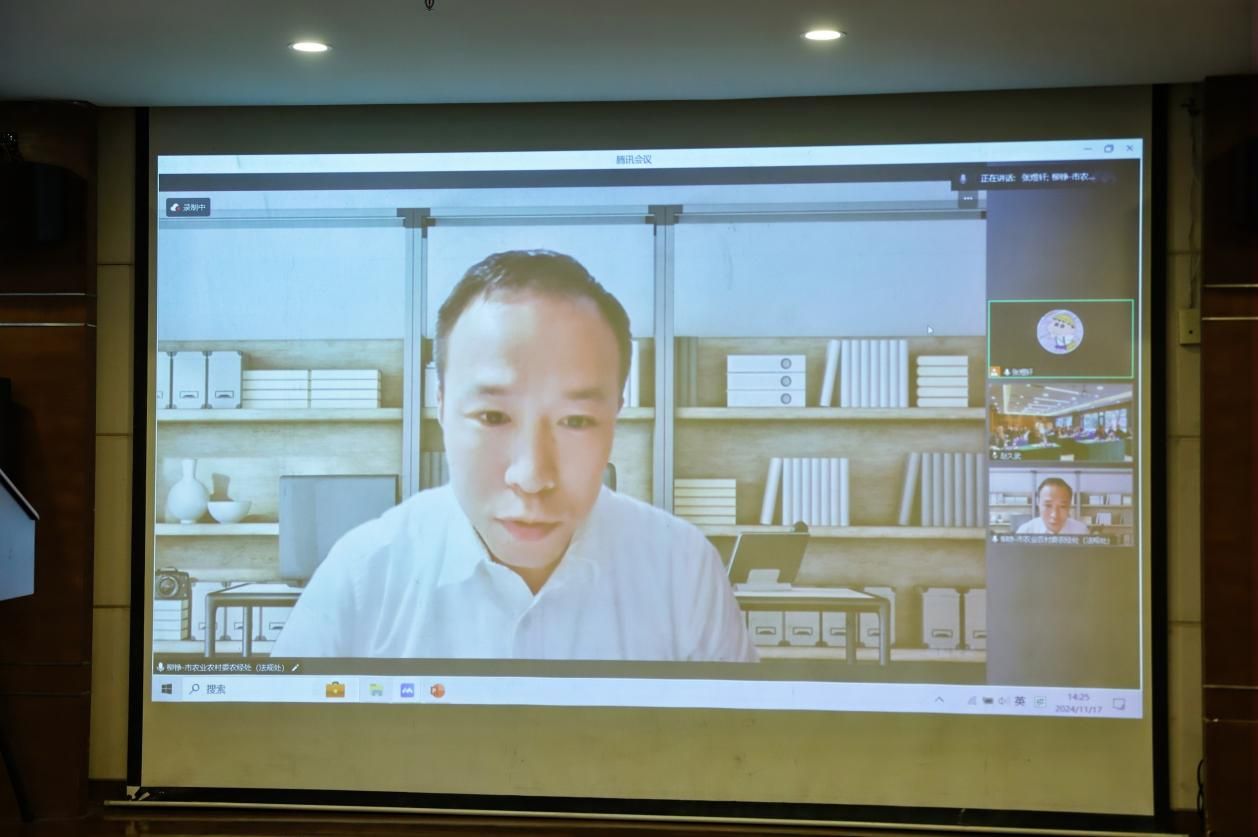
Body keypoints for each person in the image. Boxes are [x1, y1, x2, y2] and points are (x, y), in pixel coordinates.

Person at [273, 250, 757, 662]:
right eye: (492, 416)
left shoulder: (682, 570)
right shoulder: (363, 574)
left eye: (575, 421)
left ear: (616, 414)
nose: (531, 476)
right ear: (440, 405)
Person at [1015, 477, 1090, 535]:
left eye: (1062, 506)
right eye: (1048, 505)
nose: (1054, 515)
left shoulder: (1081, 531)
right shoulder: (1025, 531)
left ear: (1069, 506)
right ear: (1038, 504)